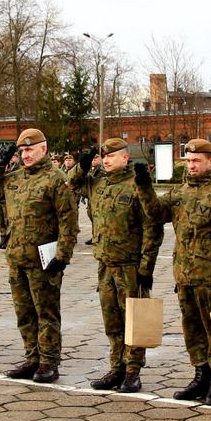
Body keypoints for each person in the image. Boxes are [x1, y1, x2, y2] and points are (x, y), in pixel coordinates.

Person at [136, 139, 211, 406]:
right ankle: (200, 374)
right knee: (191, 328)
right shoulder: (180, 192)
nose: (191, 165)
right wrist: (144, 186)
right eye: (188, 160)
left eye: (197, 160)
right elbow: (155, 213)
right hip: (184, 275)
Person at [0, 129, 79, 383]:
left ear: (43, 149)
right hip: (17, 258)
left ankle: (49, 361)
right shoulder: (14, 178)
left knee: (46, 313)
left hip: (44, 260)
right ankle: (32, 358)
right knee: (24, 313)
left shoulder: (56, 179)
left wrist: (62, 256)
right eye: (22, 151)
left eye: (30, 149)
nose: (25, 155)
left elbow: (68, 222)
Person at [72, 138, 163, 393]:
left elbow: (152, 227)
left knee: (134, 319)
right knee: (111, 319)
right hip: (105, 262)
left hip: (130, 265)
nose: (106, 160)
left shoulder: (137, 185)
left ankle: (133, 371)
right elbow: (71, 185)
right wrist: (82, 166)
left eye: (112, 156)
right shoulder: (98, 182)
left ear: (125, 157)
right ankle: (117, 367)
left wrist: (147, 266)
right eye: (103, 157)